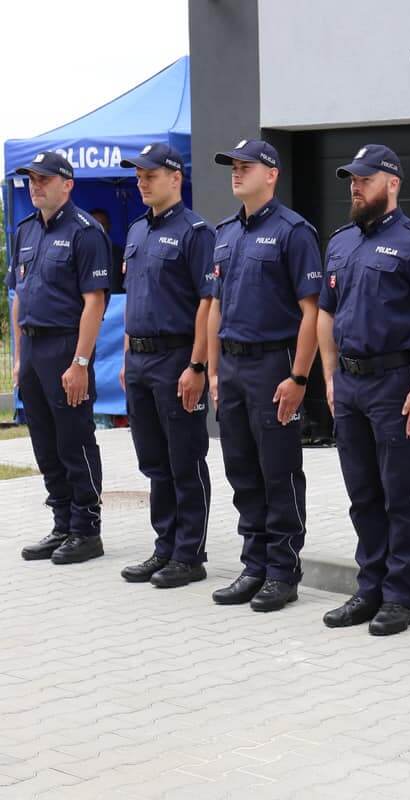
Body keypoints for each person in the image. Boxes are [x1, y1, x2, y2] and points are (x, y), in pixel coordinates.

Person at [317, 144, 410, 635]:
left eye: (365, 179)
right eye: (352, 179)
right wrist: (329, 376)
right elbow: (325, 311)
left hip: (395, 382)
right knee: (361, 492)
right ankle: (368, 588)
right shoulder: (340, 243)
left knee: (399, 491)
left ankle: (399, 596)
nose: (355, 187)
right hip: (348, 383)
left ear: (392, 183)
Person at [206, 139, 322, 612]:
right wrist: (213, 371)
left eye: (245, 166)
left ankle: (282, 570)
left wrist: (299, 377)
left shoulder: (294, 232)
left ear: (271, 174)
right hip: (231, 367)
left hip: (273, 365)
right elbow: (214, 306)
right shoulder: (225, 232)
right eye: (232, 166)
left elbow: (311, 312)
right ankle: (253, 565)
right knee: (242, 470)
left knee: (278, 470)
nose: (236, 173)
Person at [116, 143, 216, 588]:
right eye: (138, 175)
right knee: (154, 460)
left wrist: (197, 364)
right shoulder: (137, 231)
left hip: (176, 356)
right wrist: (124, 355)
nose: (141, 181)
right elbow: (133, 298)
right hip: (138, 358)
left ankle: (189, 554)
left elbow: (207, 303)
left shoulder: (196, 232)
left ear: (175, 178)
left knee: (184, 457)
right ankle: (165, 547)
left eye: (149, 174)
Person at [10, 151, 110, 564]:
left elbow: (94, 303)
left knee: (73, 437)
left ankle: (86, 529)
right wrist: (18, 357)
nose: (36, 185)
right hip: (33, 348)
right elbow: (18, 295)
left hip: (65, 346)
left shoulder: (85, 231)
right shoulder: (25, 231)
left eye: (44, 179)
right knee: (44, 441)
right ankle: (62, 523)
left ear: (66, 184)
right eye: (32, 179)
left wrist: (81, 362)